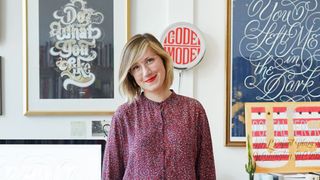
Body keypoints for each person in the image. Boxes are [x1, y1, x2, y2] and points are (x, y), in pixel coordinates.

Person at [102, 33, 216, 180]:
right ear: (131, 75)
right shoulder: (124, 115)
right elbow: (110, 174)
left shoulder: (193, 110)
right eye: (136, 67)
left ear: (163, 59)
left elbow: (206, 171)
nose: (146, 72)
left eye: (149, 60)